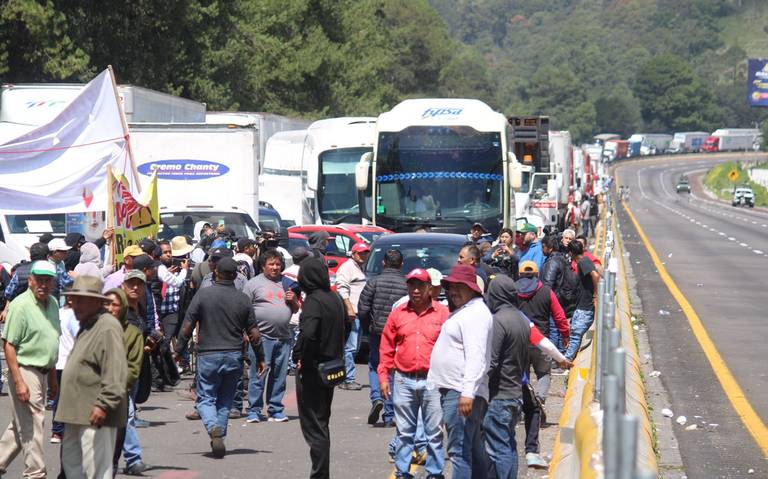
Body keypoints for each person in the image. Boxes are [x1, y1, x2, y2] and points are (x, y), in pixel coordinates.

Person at [483, 274, 572, 478]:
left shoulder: (498, 321)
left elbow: (492, 362)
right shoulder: (522, 319)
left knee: (498, 448)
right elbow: (544, 341)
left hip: (500, 394)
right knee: (509, 443)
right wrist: (562, 359)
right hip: (516, 389)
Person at [175, 258, 263, 458]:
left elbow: (187, 326)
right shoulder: (243, 299)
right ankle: (219, 436)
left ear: (216, 273)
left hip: (208, 355)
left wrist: (179, 351)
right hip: (234, 356)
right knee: (225, 400)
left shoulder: (203, 295)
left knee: (206, 398)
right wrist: (260, 357)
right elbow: (254, 333)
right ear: (236, 276)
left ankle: (213, 427)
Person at [378, 268, 449, 479]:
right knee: (404, 431)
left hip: (433, 381)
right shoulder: (398, 313)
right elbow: (386, 347)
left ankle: (435, 473)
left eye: (420, 286)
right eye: (412, 285)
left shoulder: (443, 314)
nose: (415, 290)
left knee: (434, 432)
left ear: (429, 289)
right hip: (404, 380)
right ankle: (402, 472)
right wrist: (383, 377)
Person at [57, 275, 128, 479]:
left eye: (80, 300)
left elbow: (116, 371)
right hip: (76, 412)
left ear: (97, 302)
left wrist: (103, 404)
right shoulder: (88, 324)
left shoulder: (107, 327)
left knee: (96, 470)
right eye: (73, 299)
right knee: (73, 466)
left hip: (94, 413)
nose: (74, 304)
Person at [427, 263, 493, 478]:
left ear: (472, 289)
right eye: (451, 287)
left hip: (461, 390)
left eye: (459, 287)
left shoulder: (475, 314)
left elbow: (477, 356)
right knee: (472, 447)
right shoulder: (467, 311)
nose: (453, 292)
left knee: (459, 451)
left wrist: (467, 392)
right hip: (457, 389)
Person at [0, 261, 60, 478]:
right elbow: (9, 345)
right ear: (31, 280)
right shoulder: (20, 305)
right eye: (40, 279)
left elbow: (52, 340)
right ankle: (35, 473)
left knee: (21, 425)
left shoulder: (52, 303)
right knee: (34, 422)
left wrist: (53, 379)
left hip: (44, 370)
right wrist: (18, 381)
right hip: (25, 369)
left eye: (48, 280)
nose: (43, 284)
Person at [292, 257, 346, 479]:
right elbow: (347, 325)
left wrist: (301, 356)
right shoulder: (334, 297)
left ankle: (320, 474)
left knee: (314, 426)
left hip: (315, 368)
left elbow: (309, 333)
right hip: (331, 365)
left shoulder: (314, 301)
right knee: (322, 422)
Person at [515, 261, 569, 469]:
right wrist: (565, 335)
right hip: (540, 341)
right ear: (537, 273)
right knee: (544, 373)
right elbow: (559, 315)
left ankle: (526, 402)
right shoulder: (546, 291)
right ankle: (540, 399)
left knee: (522, 375)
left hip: (518, 341)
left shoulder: (513, 290)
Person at [243, 249, 299, 423]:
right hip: (261, 338)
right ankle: (254, 410)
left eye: (278, 264)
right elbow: (243, 310)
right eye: (271, 264)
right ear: (263, 266)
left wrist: (293, 301)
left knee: (279, 376)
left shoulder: (287, 283)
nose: (275, 267)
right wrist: (245, 333)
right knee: (258, 375)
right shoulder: (253, 284)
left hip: (283, 337)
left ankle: (275, 409)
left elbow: (296, 309)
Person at [357, 249, 407, 427]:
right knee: (393, 370)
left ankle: (377, 397)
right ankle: (389, 413)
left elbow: (362, 308)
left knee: (375, 365)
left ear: (384, 263)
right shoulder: (406, 284)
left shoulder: (373, 282)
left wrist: (367, 328)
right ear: (401, 264)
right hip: (399, 334)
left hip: (377, 332)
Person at [105, 287, 147, 476]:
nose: (110, 308)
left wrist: (117, 389)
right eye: (106, 303)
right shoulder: (95, 327)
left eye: (114, 304)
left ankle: (132, 458)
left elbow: (133, 368)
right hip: (94, 394)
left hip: (120, 390)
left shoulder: (132, 333)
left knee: (125, 419)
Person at [335, 242, 370, 391]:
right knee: (351, 347)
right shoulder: (347, 267)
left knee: (353, 347)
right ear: (353, 253)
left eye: (365, 253)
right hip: (352, 313)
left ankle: (346, 377)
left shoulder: (359, 268)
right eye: (361, 253)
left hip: (359, 313)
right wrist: (349, 308)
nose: (364, 255)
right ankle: (348, 379)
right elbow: (341, 287)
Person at [564, 240, 601, 361]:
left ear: (571, 253)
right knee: (574, 333)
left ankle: (566, 360)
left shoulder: (582, 262)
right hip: (582, 305)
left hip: (584, 306)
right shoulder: (584, 260)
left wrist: (595, 294)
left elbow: (595, 275)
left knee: (575, 335)